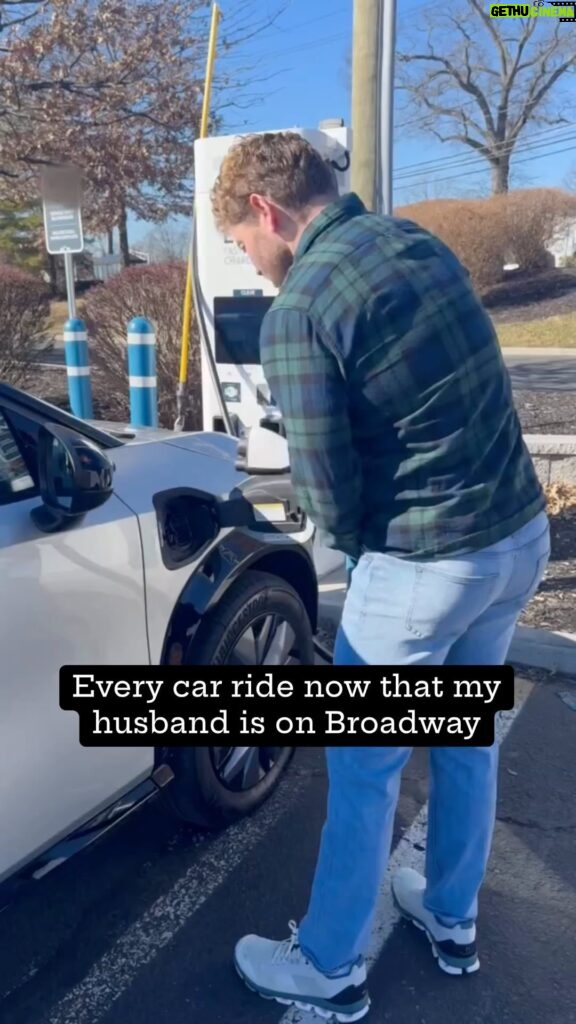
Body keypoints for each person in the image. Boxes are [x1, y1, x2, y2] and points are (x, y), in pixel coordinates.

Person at [210, 132, 550, 1022]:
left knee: (364, 768)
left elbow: (325, 490)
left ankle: (326, 966)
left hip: (426, 566)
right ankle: (451, 917)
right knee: (466, 737)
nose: (252, 265)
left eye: (243, 245)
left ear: (265, 211)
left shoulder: (303, 308)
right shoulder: (418, 242)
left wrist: (360, 565)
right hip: (517, 538)